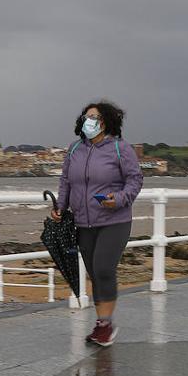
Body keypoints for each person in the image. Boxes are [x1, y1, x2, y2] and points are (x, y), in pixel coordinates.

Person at [53, 100, 144, 346]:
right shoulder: (74, 149)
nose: (88, 121)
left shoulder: (119, 148)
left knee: (104, 269)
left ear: (105, 123)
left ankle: (105, 324)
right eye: (85, 116)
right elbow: (66, 182)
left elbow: (135, 179)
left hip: (115, 220)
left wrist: (120, 199)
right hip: (83, 223)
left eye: (93, 117)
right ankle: (103, 324)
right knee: (95, 273)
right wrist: (60, 206)